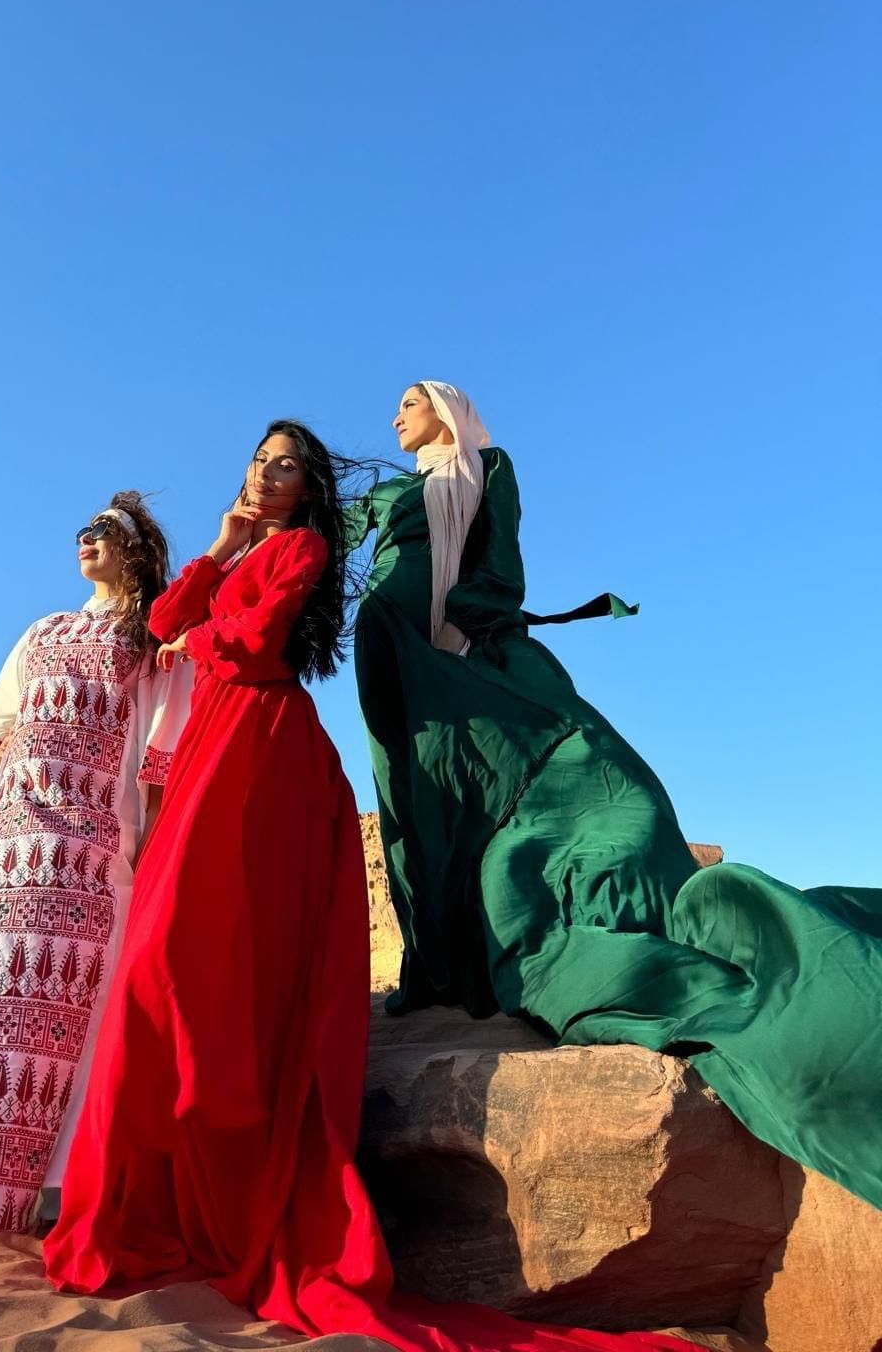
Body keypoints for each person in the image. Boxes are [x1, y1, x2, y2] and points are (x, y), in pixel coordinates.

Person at [44, 422, 690, 1352]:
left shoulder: (304, 547)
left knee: (190, 961)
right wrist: (219, 553)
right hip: (211, 757)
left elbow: (260, 645)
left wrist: (202, 638)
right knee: (158, 965)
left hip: (265, 755)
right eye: (257, 461)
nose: (264, 475)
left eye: (284, 466)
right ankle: (175, 1198)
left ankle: (242, 1186)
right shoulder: (248, 548)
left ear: (308, 488)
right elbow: (158, 623)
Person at [348, 380, 882, 1212]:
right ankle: (442, 958)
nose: (394, 417)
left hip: (468, 659)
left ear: (446, 410)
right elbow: (317, 534)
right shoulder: (387, 493)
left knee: (566, 787)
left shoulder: (487, 467)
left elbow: (498, 561)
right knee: (419, 812)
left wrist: (468, 633)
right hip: (398, 669)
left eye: (409, 402)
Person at [0, 492, 193, 1239]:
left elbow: (166, 741)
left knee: (73, 1000)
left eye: (103, 532)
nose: (86, 541)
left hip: (95, 843)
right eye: (82, 531)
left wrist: (154, 840)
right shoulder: (43, 629)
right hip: (9, 835)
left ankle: (57, 1191)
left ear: (137, 549)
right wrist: (8, 775)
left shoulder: (153, 637)